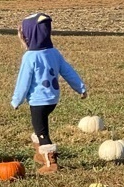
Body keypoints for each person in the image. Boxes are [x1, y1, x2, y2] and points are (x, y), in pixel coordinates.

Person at [11, 12, 87, 175]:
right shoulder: (54, 52)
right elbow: (68, 71)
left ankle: (51, 162)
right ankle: (41, 154)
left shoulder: (30, 57)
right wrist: (80, 87)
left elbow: (23, 81)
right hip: (52, 99)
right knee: (40, 126)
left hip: (38, 102)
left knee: (41, 132)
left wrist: (16, 100)